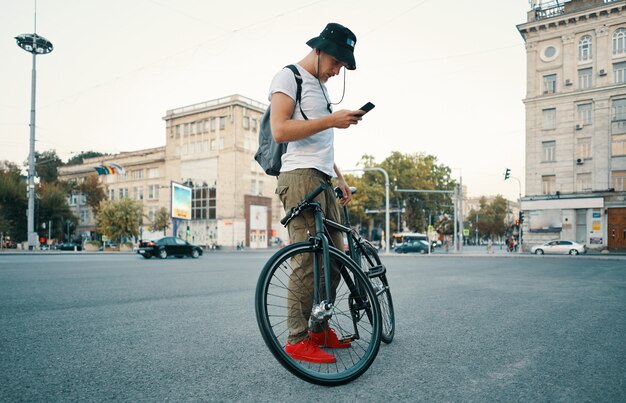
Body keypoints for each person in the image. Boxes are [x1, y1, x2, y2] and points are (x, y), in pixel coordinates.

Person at [269, 22, 364, 364]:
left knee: (336, 262)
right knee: (308, 260)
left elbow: (319, 142)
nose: (338, 71)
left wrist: (339, 177)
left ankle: (318, 328)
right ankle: (297, 339)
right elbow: (280, 130)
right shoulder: (288, 76)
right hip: (299, 178)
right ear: (320, 49)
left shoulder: (321, 89)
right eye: (337, 62)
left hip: (323, 178)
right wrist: (331, 120)